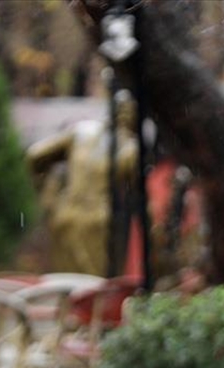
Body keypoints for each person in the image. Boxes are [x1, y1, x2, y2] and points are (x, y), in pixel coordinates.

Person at [26, 91, 139, 275]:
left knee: (63, 282)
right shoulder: (130, 147)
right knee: (93, 287)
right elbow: (137, 192)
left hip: (65, 213)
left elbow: (34, 155)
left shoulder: (81, 131)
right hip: (98, 219)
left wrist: (47, 190)